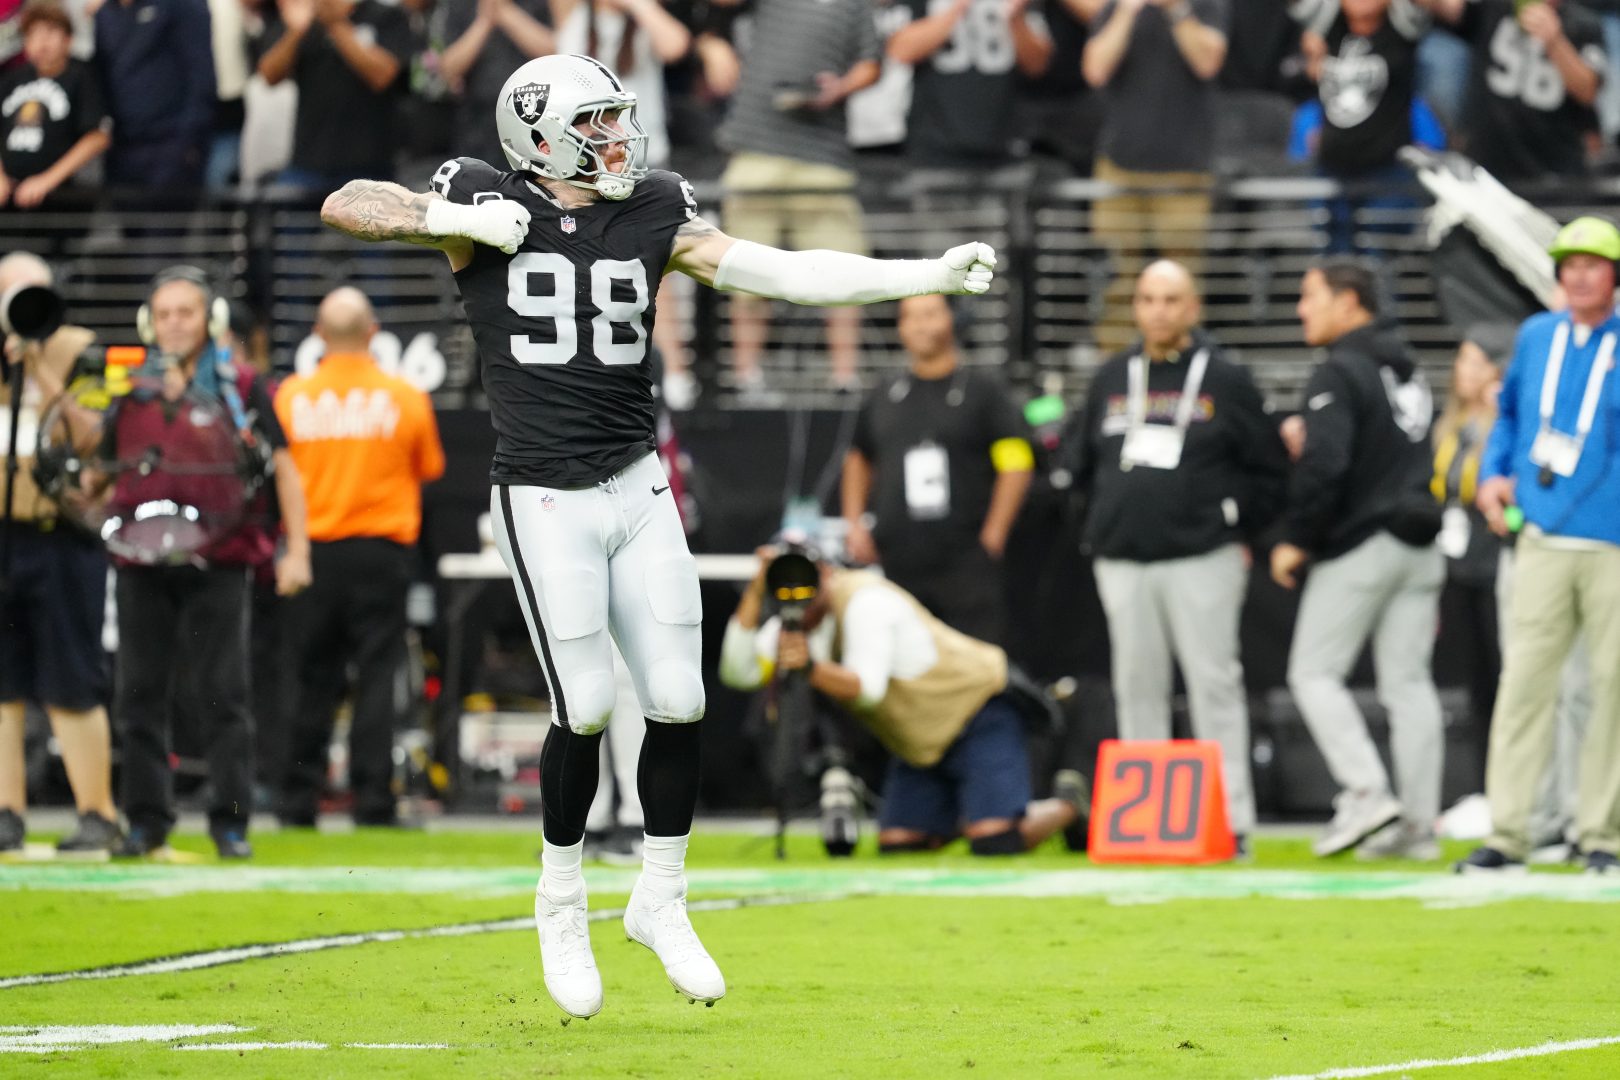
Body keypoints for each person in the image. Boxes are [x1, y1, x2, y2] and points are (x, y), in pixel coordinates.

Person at [318, 52, 997, 1020]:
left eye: (614, 118)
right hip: (543, 493)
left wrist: (921, 273)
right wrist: (453, 222)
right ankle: (560, 898)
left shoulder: (654, 207)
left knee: (679, 695)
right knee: (587, 702)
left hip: (637, 482)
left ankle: (661, 895)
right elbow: (350, 201)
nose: (616, 138)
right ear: (540, 135)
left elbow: (784, 274)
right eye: (593, 123)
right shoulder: (479, 195)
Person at [1064, 259, 1289, 849]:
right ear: (1135, 308)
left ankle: (1233, 819)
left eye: (1171, 299)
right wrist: (1097, 525)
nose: (1158, 311)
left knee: (1213, 682)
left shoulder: (1225, 379)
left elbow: (1269, 467)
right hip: (1123, 558)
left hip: (1201, 556)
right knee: (1137, 685)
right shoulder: (1112, 376)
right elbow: (1079, 465)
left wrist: (1233, 523)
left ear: (1193, 308)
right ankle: (1144, 822)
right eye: (1147, 299)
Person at [100, 267, 312, 861]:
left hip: (220, 558)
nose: (173, 324)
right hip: (140, 559)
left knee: (225, 696)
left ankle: (231, 823)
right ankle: (145, 823)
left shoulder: (243, 386)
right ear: (149, 322)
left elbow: (286, 466)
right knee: (137, 695)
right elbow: (96, 460)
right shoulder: (127, 389)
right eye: (163, 313)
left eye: (185, 312)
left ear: (210, 320)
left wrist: (298, 548)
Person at [719, 544, 1084, 855]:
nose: (799, 589)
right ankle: (976, 808)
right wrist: (754, 591)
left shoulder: (866, 601)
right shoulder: (795, 620)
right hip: (920, 741)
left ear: (827, 572)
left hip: (976, 709)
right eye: (783, 579)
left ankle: (1069, 805)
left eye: (806, 575)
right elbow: (738, 673)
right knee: (899, 843)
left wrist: (811, 668)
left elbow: (867, 690)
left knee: (995, 840)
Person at [1456, 216, 1620, 876]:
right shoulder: (1536, 335)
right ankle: (1510, 832)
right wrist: (1494, 475)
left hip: (1610, 542)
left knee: (1610, 689)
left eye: (1593, 264)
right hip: (1542, 540)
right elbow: (1512, 419)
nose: (1579, 275)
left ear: (1614, 276)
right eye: (1569, 264)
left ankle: (1599, 833)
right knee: (1525, 684)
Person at [1272, 258, 1446, 861]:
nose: (1301, 308)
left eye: (1310, 295)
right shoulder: (1406, 366)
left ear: (1349, 302)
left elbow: (1328, 466)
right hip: (1422, 543)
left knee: (1313, 673)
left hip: (1364, 542)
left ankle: (1367, 792)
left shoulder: (1338, 369)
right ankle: (1420, 827)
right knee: (1409, 684)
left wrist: (1297, 536)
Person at [273, 287, 445, 829]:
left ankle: (296, 799)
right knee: (376, 678)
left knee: (311, 678)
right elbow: (429, 468)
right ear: (373, 333)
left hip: (311, 552)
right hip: (380, 553)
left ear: (317, 336)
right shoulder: (405, 397)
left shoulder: (290, 397)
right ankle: (374, 801)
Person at [0, 251, 120, 856]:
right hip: (3, 534)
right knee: (3, 687)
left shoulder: (80, 350)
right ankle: (6, 812)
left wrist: (41, 371)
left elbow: (98, 436)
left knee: (71, 679)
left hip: (62, 536)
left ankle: (97, 811)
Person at [841, 293, 1034, 646]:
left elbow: (1017, 463)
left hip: (965, 561)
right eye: (910, 316)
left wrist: (994, 535)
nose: (920, 325)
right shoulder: (885, 394)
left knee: (972, 669)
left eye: (930, 314)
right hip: (898, 560)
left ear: (953, 320)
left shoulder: (984, 393)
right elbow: (858, 457)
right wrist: (854, 524)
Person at [712, 0, 882, 396]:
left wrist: (840, 88)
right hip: (756, 146)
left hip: (822, 153)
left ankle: (844, 377)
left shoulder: (854, 6)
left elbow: (872, 63)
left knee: (843, 270)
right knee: (746, 272)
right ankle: (746, 377)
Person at [1082, 0, 1228, 353]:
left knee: (1182, 281)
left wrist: (1176, 10)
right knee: (1117, 282)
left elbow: (1208, 62)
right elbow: (1095, 69)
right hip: (1119, 169)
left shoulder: (1205, 5)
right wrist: (1126, 12)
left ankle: (1182, 368)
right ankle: (1114, 371)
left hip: (1184, 172)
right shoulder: (1117, 6)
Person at [1429, 328, 1509, 780]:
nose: (1465, 371)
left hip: (1495, 562)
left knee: (1504, 678)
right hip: (1457, 567)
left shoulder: (1505, 422)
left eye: (1476, 362)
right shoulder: (1450, 423)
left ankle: (1511, 788)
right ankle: (1482, 784)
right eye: (1462, 360)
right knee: (1474, 683)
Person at [1418, 0, 1606, 185]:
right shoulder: (1495, 7)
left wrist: (1555, 41)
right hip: (1487, 165)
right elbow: (1448, 8)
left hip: (1553, 171)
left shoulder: (1583, 24)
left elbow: (1588, 90)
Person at [257, 0, 415, 192]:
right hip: (308, 160)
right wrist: (296, 31)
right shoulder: (304, 17)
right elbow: (269, 74)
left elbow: (383, 76)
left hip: (369, 162)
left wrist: (335, 24)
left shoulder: (385, 15)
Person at [92, 0, 216, 192]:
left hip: (170, 145)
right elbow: (102, 77)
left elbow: (202, 77)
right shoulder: (104, 13)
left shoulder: (183, 5)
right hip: (121, 151)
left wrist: (188, 143)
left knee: (168, 220)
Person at [0, 1, 110, 209]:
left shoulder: (81, 77)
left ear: (68, 39)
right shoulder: (11, 80)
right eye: (33, 34)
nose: (42, 42)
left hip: (62, 199)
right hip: (9, 200)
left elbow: (97, 136)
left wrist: (47, 180)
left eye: (50, 32)